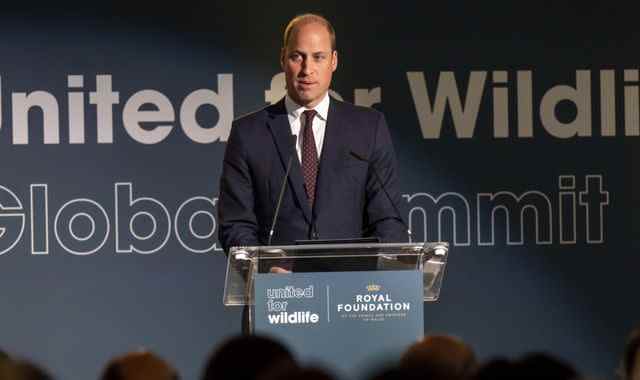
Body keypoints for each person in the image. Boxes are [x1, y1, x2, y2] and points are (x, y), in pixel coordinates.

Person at [218, 13, 408, 253]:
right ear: (282, 59)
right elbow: (235, 225)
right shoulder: (248, 134)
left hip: (352, 284)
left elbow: (388, 220)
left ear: (334, 61)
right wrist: (265, 269)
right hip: (278, 286)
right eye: (298, 57)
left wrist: (379, 269)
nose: (307, 69)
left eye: (318, 57)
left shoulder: (368, 128)